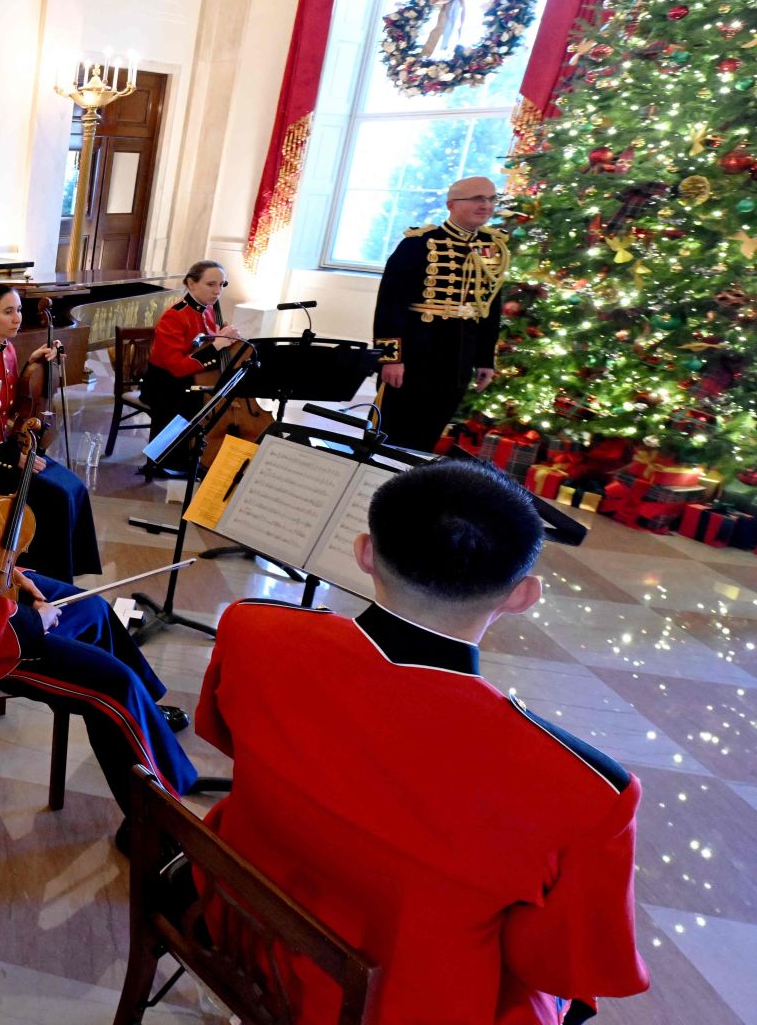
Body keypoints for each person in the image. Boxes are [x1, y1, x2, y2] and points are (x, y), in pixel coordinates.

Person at [195, 460, 648, 1024]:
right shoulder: (589, 789)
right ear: (522, 597)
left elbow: (220, 733)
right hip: (401, 1004)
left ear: (363, 553)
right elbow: (564, 964)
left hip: (238, 918)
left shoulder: (252, 630)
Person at [0, 337, 196, 833]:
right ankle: (158, 823)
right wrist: (31, 620)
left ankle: (150, 715)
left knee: (93, 609)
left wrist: (17, 577)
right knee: (114, 687)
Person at [0, 283, 101, 579]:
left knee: (74, 486)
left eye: (19, 310)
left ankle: (72, 569)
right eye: (8, 312)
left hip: (10, 444)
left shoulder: (7, 347)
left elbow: (13, 393)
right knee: (56, 497)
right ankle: (48, 578)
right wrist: (10, 458)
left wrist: (33, 363)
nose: (17, 318)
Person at [372, 175, 511, 452]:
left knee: (429, 433)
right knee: (390, 432)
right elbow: (390, 304)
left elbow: (489, 305)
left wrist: (485, 359)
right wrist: (391, 358)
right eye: (476, 198)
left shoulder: (491, 246)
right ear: (451, 204)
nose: (486, 204)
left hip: (459, 357)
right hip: (415, 353)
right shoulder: (419, 243)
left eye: (490, 198)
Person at [140, 260, 241, 444]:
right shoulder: (174, 315)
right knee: (190, 409)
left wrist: (222, 337)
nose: (218, 291)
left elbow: (204, 343)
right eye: (211, 284)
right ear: (191, 284)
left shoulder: (209, 308)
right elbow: (177, 367)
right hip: (166, 385)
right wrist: (217, 344)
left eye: (222, 284)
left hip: (193, 379)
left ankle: (199, 455)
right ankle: (167, 463)